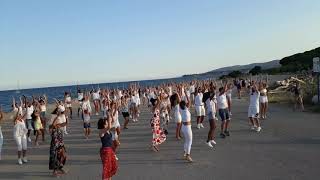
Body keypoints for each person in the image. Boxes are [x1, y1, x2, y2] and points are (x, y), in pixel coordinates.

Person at [49, 107, 68, 177]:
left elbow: (65, 123)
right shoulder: (51, 127)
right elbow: (52, 126)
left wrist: (66, 116)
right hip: (54, 144)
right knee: (55, 157)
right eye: (57, 120)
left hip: (60, 143)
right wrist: (56, 117)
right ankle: (55, 171)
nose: (58, 121)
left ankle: (60, 168)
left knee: (64, 156)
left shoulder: (59, 126)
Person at [179, 95, 193, 162]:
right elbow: (189, 101)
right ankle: (188, 155)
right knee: (189, 141)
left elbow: (181, 102)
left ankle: (185, 152)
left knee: (186, 140)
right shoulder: (186, 109)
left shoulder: (180, 109)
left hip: (183, 127)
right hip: (187, 127)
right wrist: (186, 94)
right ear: (185, 105)